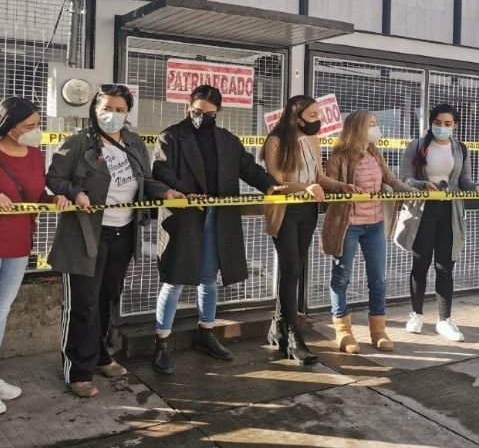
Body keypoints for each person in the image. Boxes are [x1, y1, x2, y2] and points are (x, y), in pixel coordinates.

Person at [47, 84, 180, 398]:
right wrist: (74, 192)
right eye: (107, 108)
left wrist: (165, 192)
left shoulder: (133, 142)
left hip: (123, 233)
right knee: (82, 304)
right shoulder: (79, 142)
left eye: (120, 110)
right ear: (94, 110)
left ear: (128, 112)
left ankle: (100, 355)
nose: (113, 115)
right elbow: (54, 178)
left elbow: (146, 180)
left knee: (107, 299)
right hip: (85, 234)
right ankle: (78, 370)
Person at [151, 85, 284, 374]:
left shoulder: (227, 140)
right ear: (188, 106)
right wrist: (186, 193)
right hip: (184, 216)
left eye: (209, 114)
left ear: (218, 113)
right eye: (197, 111)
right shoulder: (170, 137)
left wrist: (270, 186)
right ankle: (161, 342)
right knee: (174, 280)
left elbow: (249, 168)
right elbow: (161, 171)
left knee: (208, 279)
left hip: (217, 218)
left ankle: (206, 333)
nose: (202, 117)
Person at [0, 97, 72, 416]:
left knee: (0, 311)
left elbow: (35, 194)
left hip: (19, 243)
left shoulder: (35, 155)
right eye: (30, 125)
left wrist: (54, 199)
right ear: (9, 126)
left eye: (37, 124)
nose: (36, 131)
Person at [262, 95, 361, 364]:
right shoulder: (275, 142)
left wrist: (340, 186)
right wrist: (304, 188)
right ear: (296, 117)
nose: (318, 121)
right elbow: (276, 183)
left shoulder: (313, 140)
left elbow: (319, 177)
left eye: (319, 115)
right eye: (313, 116)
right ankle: (293, 336)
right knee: (291, 267)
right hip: (285, 211)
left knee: (295, 269)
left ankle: (279, 326)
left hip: (308, 211)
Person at [321, 109, 415, 354]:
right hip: (348, 225)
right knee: (341, 277)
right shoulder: (338, 157)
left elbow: (391, 179)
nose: (376, 128)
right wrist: (343, 188)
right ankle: (343, 330)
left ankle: (378, 331)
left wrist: (412, 192)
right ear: (357, 128)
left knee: (378, 279)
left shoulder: (375, 153)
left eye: (376, 123)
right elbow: (329, 187)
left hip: (375, 224)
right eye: (371, 124)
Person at [395, 104, 479, 342]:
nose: (442, 127)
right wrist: (421, 185)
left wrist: (476, 187)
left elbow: (464, 180)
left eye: (448, 124)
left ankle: (444, 319)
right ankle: (416, 314)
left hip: (450, 210)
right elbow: (405, 177)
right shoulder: (417, 145)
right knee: (421, 263)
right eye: (438, 123)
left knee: (445, 265)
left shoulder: (460, 148)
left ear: (455, 125)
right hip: (422, 210)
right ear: (431, 123)